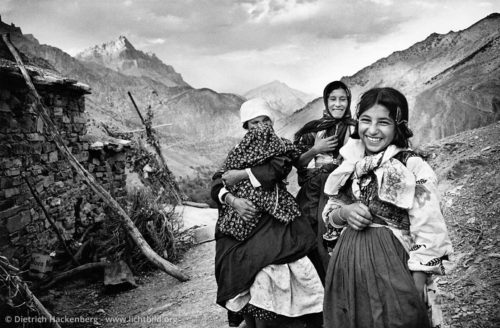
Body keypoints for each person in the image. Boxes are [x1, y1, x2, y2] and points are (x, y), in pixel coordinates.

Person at [321, 87, 453, 328]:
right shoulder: (351, 163)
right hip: (347, 267)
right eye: (365, 120)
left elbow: (429, 225)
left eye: (383, 122)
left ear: (398, 126)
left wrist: (418, 281)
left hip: (393, 265)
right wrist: (345, 213)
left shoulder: (412, 166)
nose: (372, 130)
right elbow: (330, 214)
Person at [212, 98, 324, 328]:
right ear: (246, 127)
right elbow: (217, 181)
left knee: (288, 255)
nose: (261, 126)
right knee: (232, 260)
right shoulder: (237, 151)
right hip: (242, 214)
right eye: (254, 123)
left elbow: (277, 169)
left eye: (265, 121)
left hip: (275, 213)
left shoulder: (279, 147)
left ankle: (298, 315)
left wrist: (240, 175)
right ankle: (249, 316)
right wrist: (233, 200)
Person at [294, 81, 356, 280]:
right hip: (313, 192)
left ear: (348, 102)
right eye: (333, 99)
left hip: (343, 190)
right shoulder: (313, 130)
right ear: (326, 101)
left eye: (342, 99)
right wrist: (316, 150)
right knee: (311, 236)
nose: (338, 104)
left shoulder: (356, 129)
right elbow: (298, 164)